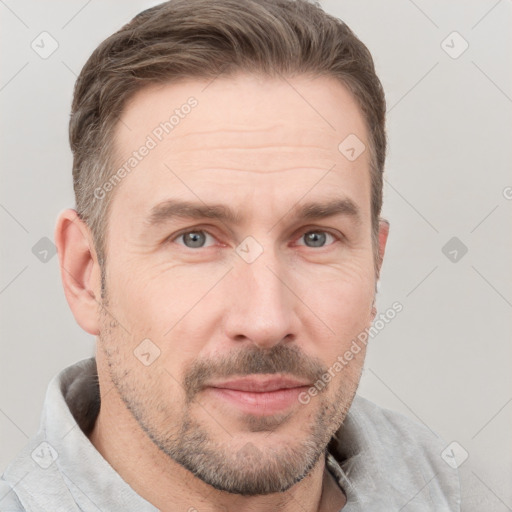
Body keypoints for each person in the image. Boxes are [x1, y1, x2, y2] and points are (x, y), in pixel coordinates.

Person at [0, 0, 463, 510]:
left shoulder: (466, 491)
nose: (266, 321)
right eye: (194, 238)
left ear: (375, 266)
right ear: (86, 275)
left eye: (315, 238)